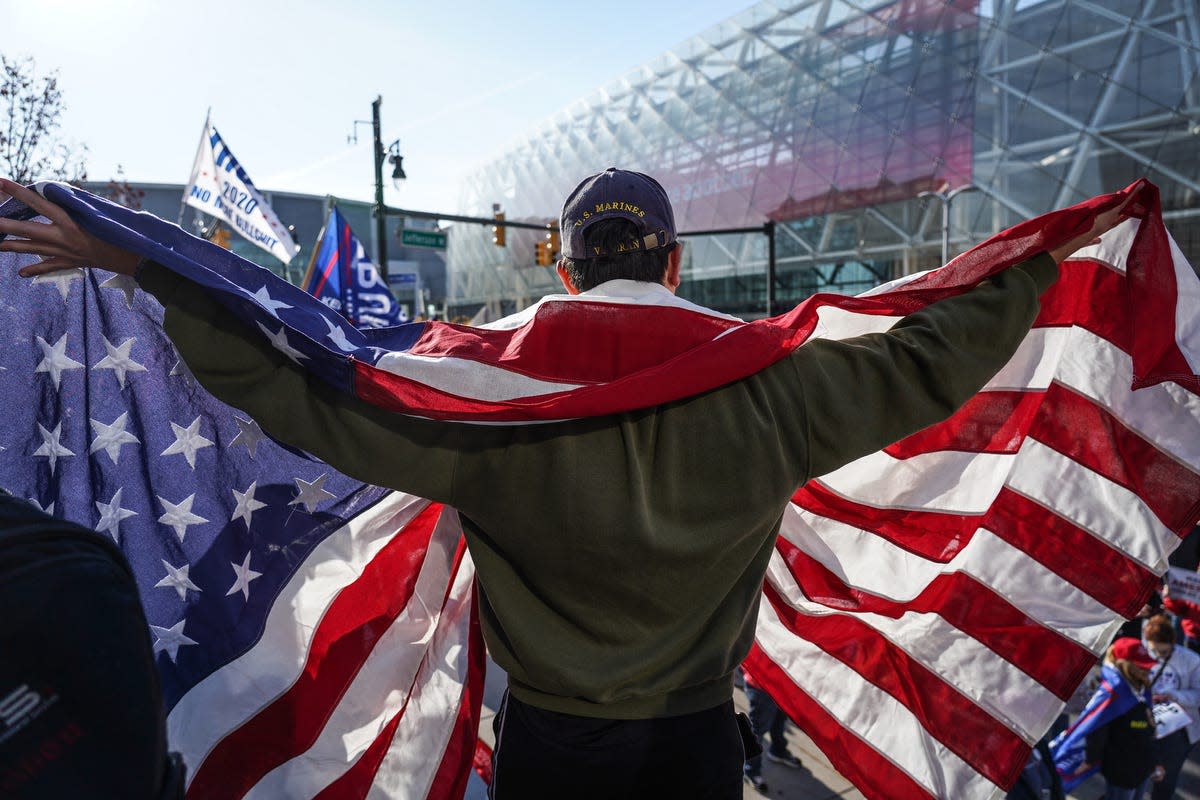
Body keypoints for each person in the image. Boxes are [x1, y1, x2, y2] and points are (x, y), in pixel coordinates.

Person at [0, 172, 1131, 799]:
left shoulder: (480, 408)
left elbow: (308, 393)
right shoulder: (784, 395)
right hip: (695, 748)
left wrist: (148, 264)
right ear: (676, 262)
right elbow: (930, 360)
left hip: (550, 757)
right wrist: (1054, 256)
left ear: (565, 259)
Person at [1051, 638, 1159, 800]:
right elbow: (1095, 727)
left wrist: (1154, 761)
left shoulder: (1142, 686)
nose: (1147, 670)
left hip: (1142, 762)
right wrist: (1090, 759)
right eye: (1141, 665)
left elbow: (1150, 726)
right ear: (1125, 664)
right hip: (1121, 767)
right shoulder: (1114, 691)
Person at [1143, 613, 1200, 799]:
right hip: (1146, 725)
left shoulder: (1191, 661)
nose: (1159, 656)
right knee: (1137, 776)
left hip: (1178, 731)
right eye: (1155, 651)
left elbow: (1198, 695)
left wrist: (1175, 696)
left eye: (1164, 653)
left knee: (1165, 780)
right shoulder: (1140, 654)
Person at [740, 667, 803, 794]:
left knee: (779, 722)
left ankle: (778, 751)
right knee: (757, 731)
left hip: (782, 683)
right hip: (762, 685)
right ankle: (750, 769)